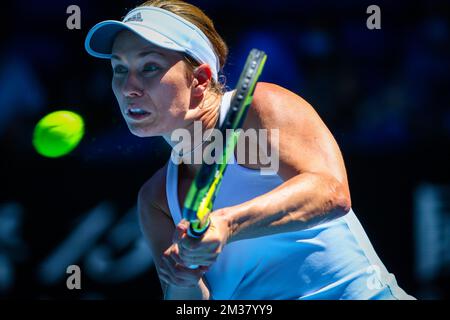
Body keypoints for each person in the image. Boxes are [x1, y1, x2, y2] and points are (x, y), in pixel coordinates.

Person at [85, 0, 415, 300]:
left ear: (199, 80)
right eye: (119, 69)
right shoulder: (155, 199)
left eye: (150, 67)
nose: (128, 87)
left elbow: (330, 192)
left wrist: (226, 224)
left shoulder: (260, 108)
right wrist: (184, 276)